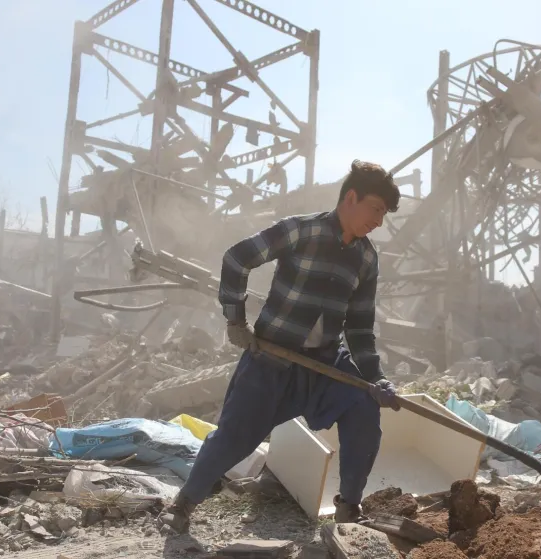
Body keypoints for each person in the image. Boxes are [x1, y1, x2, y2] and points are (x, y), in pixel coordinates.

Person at [157, 160, 403, 533]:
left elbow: (360, 329)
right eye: (376, 209)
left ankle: (349, 508)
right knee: (235, 436)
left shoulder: (366, 258)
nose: (379, 222)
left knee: (364, 410)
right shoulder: (300, 231)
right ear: (351, 197)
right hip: (272, 358)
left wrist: (375, 379)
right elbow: (237, 258)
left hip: (324, 364)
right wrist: (235, 319)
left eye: (384, 214)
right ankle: (185, 503)